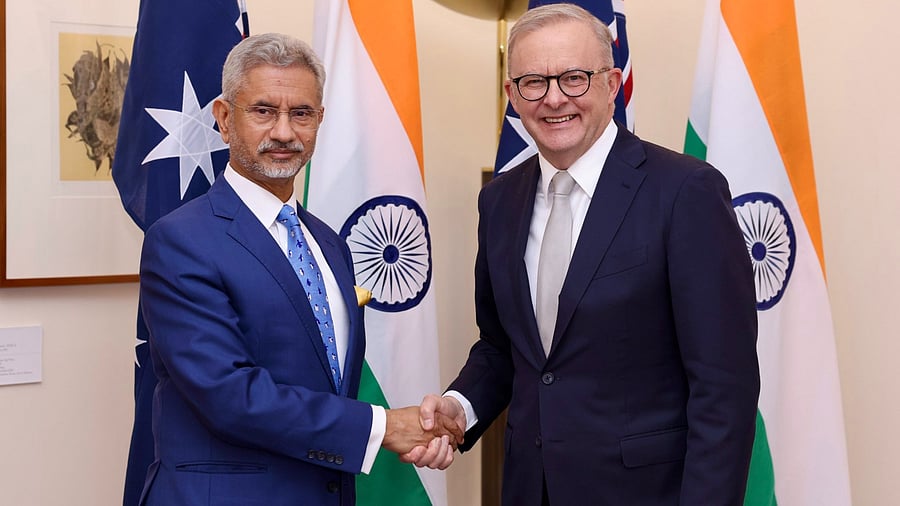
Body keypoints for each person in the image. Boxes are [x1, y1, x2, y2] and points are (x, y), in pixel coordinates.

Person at [405, 4, 760, 505]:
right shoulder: (499, 201)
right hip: (530, 489)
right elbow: (502, 347)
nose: (554, 99)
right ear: (512, 96)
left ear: (613, 84)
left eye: (575, 78)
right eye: (533, 82)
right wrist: (460, 407)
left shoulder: (685, 192)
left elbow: (724, 387)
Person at [137, 33, 461, 506]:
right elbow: (230, 397)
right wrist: (385, 426)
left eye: (301, 113)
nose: (285, 132)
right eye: (264, 111)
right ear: (225, 120)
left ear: (319, 121)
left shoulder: (328, 243)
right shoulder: (180, 240)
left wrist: (422, 427)